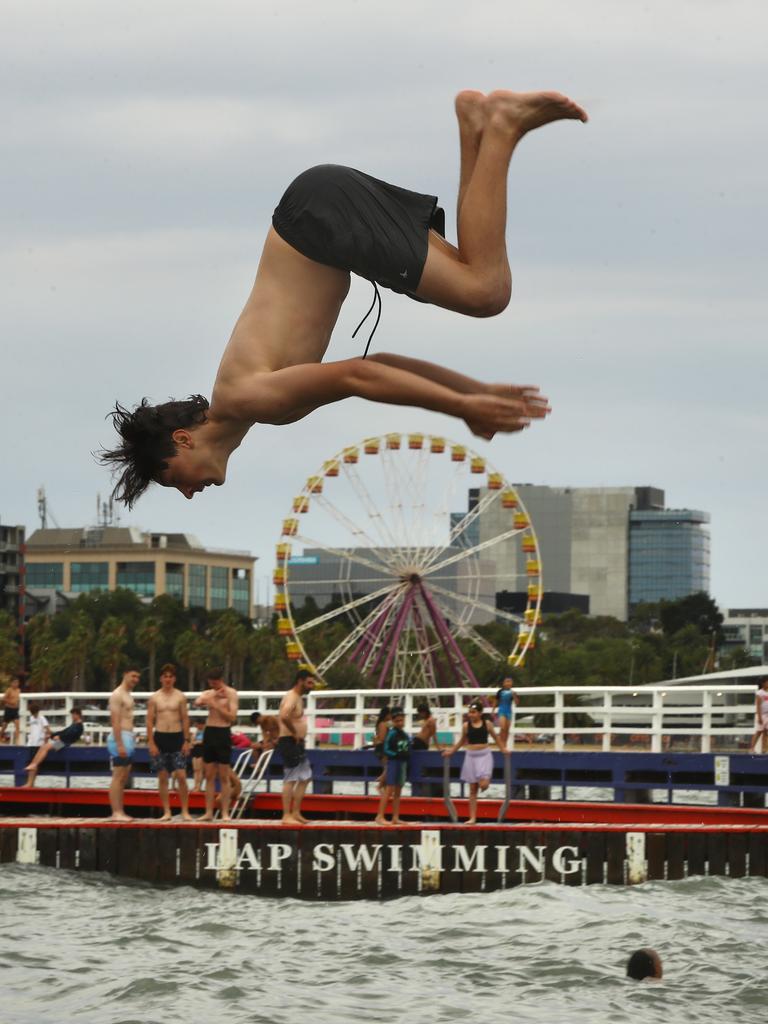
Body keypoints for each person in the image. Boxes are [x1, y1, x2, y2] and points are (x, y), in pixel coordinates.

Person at [100, 89, 588, 507]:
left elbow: (359, 375)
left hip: (320, 222)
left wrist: (463, 409)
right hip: (317, 215)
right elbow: (382, 362)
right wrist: (473, 392)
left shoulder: (249, 398)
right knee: (472, 275)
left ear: (183, 441)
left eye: (173, 481)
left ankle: (501, 126)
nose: (188, 493)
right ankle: (476, 124)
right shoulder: (253, 405)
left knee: (484, 291)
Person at [442, 700, 506, 825]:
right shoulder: (466, 726)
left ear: (480, 713)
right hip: (471, 756)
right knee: (472, 789)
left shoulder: (487, 724)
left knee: (483, 784)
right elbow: (461, 741)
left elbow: (496, 737)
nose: (471, 715)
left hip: (484, 755)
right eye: (470, 712)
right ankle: (472, 817)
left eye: (474, 712)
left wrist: (503, 749)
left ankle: (485, 783)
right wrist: (451, 751)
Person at [146, 663, 192, 822]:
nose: (167, 679)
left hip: (177, 737)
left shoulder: (180, 696)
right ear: (161, 678)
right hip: (160, 738)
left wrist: (187, 740)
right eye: (165, 676)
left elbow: (185, 719)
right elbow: (149, 721)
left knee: (181, 775)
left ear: (174, 679)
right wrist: (151, 742)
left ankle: (185, 810)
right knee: (163, 776)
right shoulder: (154, 698)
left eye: (170, 676)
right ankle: (167, 811)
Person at [194, 668, 239, 822]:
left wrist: (216, 704)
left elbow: (232, 717)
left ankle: (225, 812)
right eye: (211, 683)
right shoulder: (210, 693)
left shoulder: (230, 693)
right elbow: (198, 702)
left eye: (216, 682)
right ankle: (208, 812)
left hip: (223, 731)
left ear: (221, 679)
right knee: (209, 776)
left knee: (224, 776)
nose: (213, 685)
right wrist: (213, 695)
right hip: (210, 732)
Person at [277, 669, 316, 824]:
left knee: (305, 777)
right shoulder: (292, 697)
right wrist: (294, 732)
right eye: (309, 682)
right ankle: (286, 815)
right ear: (300, 681)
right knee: (291, 778)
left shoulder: (298, 697)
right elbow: (284, 716)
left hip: (296, 742)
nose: (312, 686)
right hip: (289, 741)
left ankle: (296, 812)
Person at [107, 667, 141, 822]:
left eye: (137, 677)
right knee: (118, 776)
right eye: (133, 676)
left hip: (128, 736)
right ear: (125, 674)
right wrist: (120, 743)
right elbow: (115, 721)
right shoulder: (117, 694)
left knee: (123, 778)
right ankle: (116, 812)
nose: (135, 679)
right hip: (119, 737)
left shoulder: (128, 695)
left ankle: (120, 811)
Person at [22, 707, 84, 787]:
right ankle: (34, 765)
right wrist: (52, 735)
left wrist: (60, 737)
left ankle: (34, 765)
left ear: (77, 715)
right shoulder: (74, 724)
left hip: (64, 743)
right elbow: (63, 732)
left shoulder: (79, 726)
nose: (72, 716)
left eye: (72, 715)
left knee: (45, 747)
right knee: (43, 747)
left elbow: (71, 736)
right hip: (62, 742)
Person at [374, 707, 411, 826]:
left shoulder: (405, 735)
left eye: (401, 720)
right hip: (394, 762)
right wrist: (396, 754)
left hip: (402, 763)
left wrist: (406, 754)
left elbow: (407, 747)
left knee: (398, 791)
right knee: (389, 790)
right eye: (397, 721)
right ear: (393, 722)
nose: (400, 723)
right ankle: (380, 816)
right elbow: (386, 749)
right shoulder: (392, 733)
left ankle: (395, 817)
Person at [493, 676, 520, 748]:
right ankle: (501, 742)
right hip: (502, 710)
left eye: (510, 681)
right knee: (502, 727)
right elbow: (496, 701)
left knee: (507, 729)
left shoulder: (513, 692)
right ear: (504, 683)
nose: (508, 683)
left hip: (509, 711)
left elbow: (517, 703)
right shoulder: (500, 692)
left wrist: (514, 696)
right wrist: (493, 710)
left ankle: (505, 743)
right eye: (507, 681)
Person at [372, 705, 391, 793]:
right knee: (388, 767)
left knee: (386, 768)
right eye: (390, 714)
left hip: (381, 748)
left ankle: (383, 790)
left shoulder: (381, 724)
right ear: (386, 715)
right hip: (383, 748)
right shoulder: (383, 724)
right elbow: (383, 738)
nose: (391, 716)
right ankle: (380, 784)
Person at [748, 677, 768, 754]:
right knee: (759, 732)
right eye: (767, 682)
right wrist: (759, 717)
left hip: (767, 714)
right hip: (761, 715)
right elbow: (758, 706)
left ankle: (765, 749)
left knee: (766, 732)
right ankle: (752, 748)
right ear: (763, 683)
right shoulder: (760, 693)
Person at [1, 676, 22, 744]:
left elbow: (17, 699)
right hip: (8, 709)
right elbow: (3, 699)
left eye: (17, 682)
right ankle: (0, 736)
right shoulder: (9, 690)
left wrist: (17, 704)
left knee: (17, 726)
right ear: (11, 683)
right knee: (4, 726)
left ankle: (17, 741)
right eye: (15, 682)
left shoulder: (19, 690)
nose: (16, 684)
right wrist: (11, 702)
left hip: (15, 710)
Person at [188, 715, 205, 791]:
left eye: (197, 724)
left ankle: (199, 786)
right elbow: (192, 741)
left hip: (201, 750)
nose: (196, 726)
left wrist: (197, 742)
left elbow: (205, 741)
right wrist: (194, 741)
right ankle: (195, 785)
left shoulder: (206, 731)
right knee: (195, 769)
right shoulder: (196, 732)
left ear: (201, 724)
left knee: (200, 770)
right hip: (195, 750)